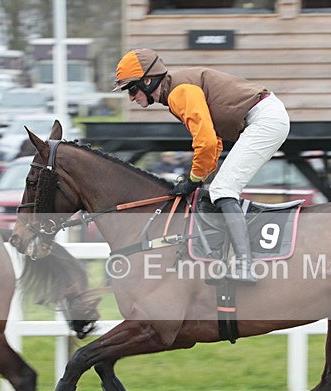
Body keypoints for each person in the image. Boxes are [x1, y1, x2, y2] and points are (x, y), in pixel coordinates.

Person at [114, 48, 290, 285]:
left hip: (264, 120)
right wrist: (197, 178)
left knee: (222, 190)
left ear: (147, 81)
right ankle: (225, 258)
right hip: (264, 117)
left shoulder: (179, 92)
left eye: (132, 89)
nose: (131, 97)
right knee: (216, 189)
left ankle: (244, 265)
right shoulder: (176, 91)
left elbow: (206, 143)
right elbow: (214, 143)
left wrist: (193, 179)